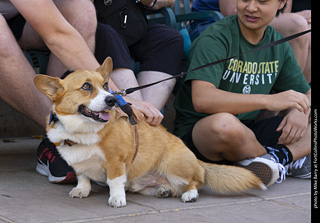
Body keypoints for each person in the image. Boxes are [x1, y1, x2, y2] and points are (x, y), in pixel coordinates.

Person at [0, 0, 163, 183]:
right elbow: (57, 35)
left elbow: (58, 29)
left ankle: (59, 141)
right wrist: (118, 97)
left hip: (18, 15)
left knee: (81, 11)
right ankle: (60, 130)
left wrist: (115, 96)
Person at [173, 0, 311, 187]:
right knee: (225, 125)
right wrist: (268, 101)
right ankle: (281, 160)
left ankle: (277, 158)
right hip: (203, 133)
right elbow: (202, 99)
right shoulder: (214, 37)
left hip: (249, 131)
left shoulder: (278, 45)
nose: (251, 7)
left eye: (262, 1)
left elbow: (306, 93)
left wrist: (300, 111)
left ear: (281, 3)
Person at [190, 0, 311, 83]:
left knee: (307, 31)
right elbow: (233, 12)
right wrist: (297, 17)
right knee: (298, 25)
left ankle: (296, 104)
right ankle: (286, 103)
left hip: (258, 20)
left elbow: (281, 11)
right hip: (213, 22)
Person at [94, 0, 184, 112]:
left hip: (131, 26)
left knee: (169, 39)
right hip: (97, 31)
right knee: (109, 38)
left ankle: (147, 117)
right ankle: (135, 114)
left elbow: (170, 2)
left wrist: (151, 1)